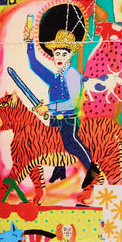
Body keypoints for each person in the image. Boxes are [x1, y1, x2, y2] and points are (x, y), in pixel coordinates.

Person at [24, 26, 93, 181]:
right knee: (55, 145)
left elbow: (72, 104)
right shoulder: (56, 77)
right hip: (55, 119)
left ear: (70, 55)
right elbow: (34, 65)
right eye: (57, 53)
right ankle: (59, 171)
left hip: (68, 120)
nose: (60, 57)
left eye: (64, 54)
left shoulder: (73, 75)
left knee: (70, 143)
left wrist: (48, 107)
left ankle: (92, 170)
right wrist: (29, 41)